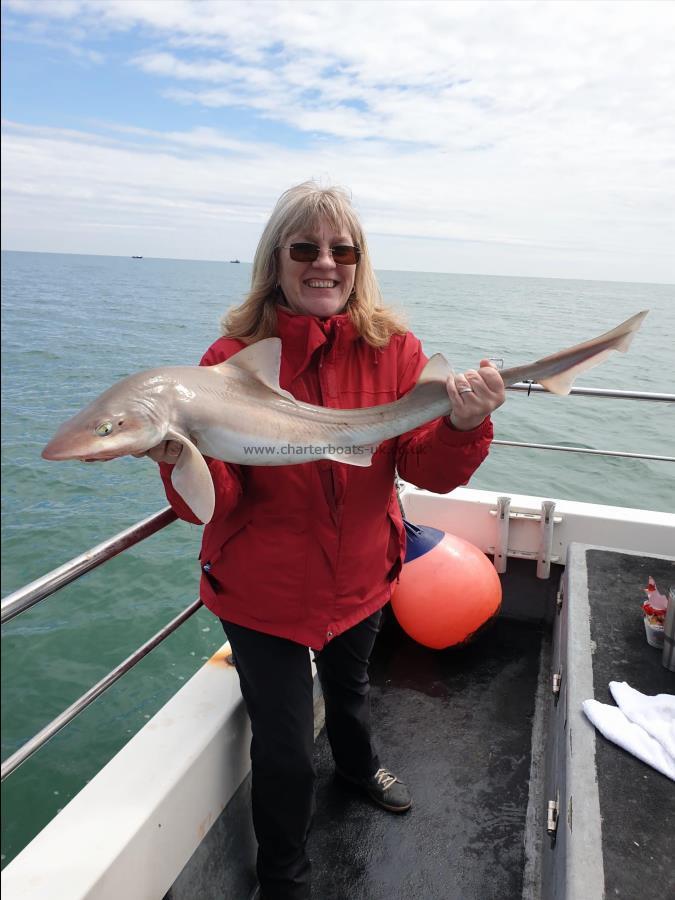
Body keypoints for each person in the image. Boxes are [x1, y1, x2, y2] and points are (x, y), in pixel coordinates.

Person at [146, 182, 505, 900]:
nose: (324, 263)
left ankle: (357, 766)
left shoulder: (394, 352)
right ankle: (283, 877)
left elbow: (423, 468)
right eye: (303, 248)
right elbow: (213, 503)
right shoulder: (230, 359)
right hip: (261, 592)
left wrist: (464, 425)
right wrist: (181, 456)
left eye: (342, 250)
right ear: (274, 260)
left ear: (358, 261)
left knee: (350, 694)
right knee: (280, 749)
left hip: (363, 571)